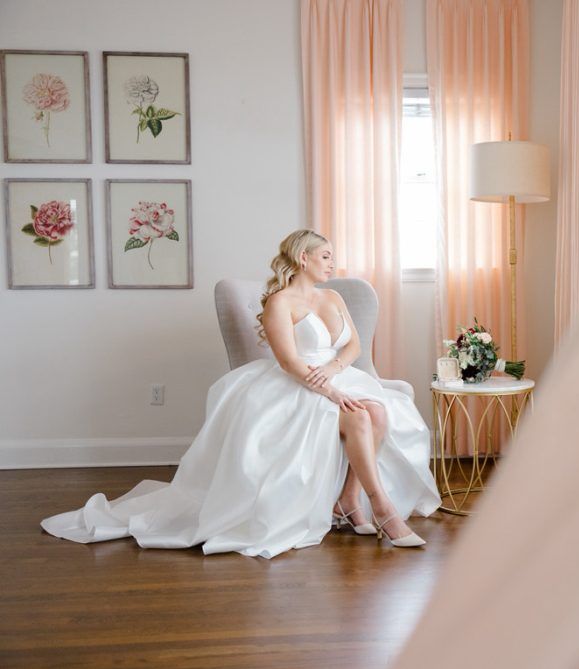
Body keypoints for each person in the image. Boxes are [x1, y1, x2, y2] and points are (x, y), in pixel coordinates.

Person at [41, 229, 441, 558]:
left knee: (379, 413)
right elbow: (288, 361)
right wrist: (331, 393)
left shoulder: (333, 297)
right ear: (303, 258)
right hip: (299, 383)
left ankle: (349, 499)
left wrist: (336, 371)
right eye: (325, 256)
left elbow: (354, 345)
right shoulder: (279, 302)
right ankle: (383, 509)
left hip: (336, 374)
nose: (332, 263)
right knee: (358, 417)